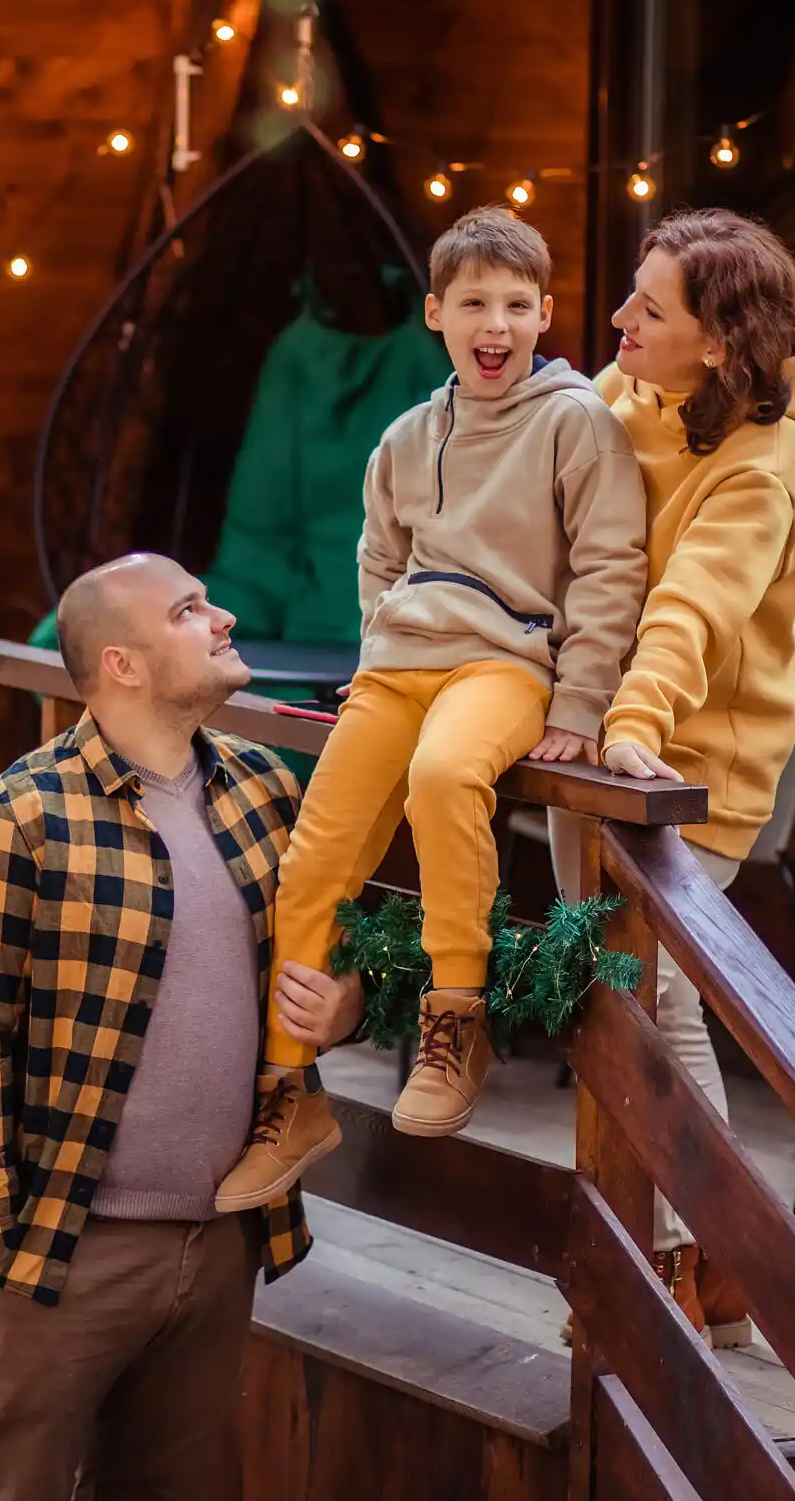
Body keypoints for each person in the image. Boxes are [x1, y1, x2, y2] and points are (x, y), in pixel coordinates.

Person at [216, 206, 651, 1211]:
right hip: (398, 668)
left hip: (505, 668)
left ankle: (458, 1020)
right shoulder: (410, 435)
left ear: (545, 314)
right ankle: (288, 1095)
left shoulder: (574, 421)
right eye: (471, 305)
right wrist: (383, 640)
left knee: (447, 775)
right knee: (315, 858)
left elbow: (609, 568)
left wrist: (580, 701)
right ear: (435, 315)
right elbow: (376, 555)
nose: (492, 324)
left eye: (513, 305)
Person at [0, 552, 366, 1501]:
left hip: (220, 1240)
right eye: (190, 610)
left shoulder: (267, 791)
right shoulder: (16, 821)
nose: (224, 617)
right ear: (123, 663)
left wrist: (347, 1003)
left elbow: (345, 952)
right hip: (62, 1251)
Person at [561, 206, 795, 1347]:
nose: (620, 317)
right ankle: (705, 1267)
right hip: (587, 749)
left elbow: (692, 613)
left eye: (648, 307)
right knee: (615, 992)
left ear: (718, 343)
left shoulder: (763, 464)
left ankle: (696, 1260)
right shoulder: (630, 395)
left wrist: (632, 723)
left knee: (655, 1007)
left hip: (688, 766)